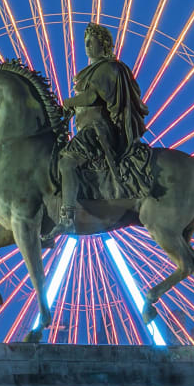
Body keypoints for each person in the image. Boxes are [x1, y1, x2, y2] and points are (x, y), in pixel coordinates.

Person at [43, 23, 149, 240]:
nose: (87, 46)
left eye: (92, 42)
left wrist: (68, 102)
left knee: (67, 162)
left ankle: (67, 217)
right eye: (85, 42)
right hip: (87, 128)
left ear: (104, 45)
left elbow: (92, 98)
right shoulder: (96, 70)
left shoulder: (107, 69)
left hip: (99, 129)